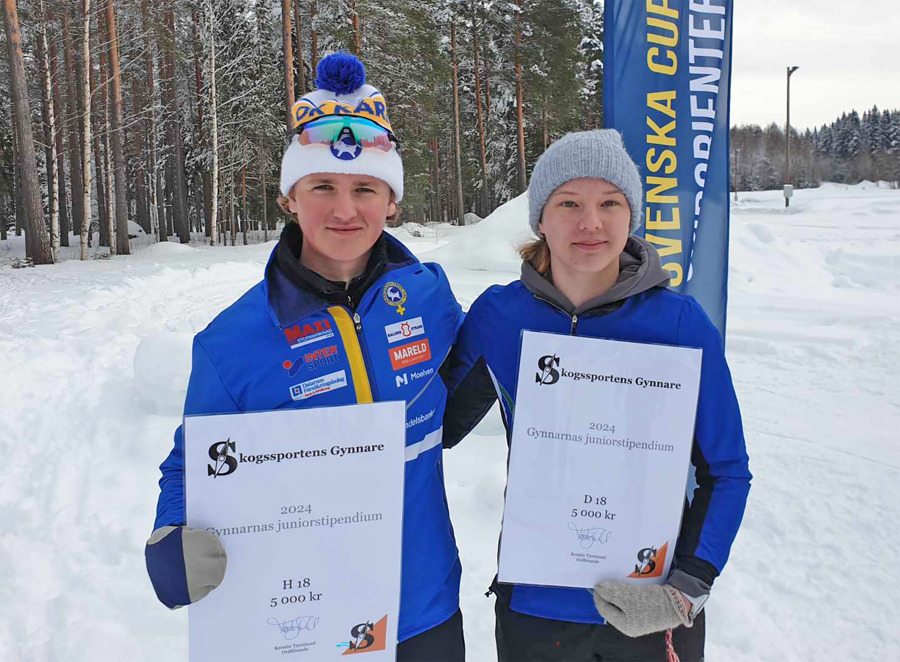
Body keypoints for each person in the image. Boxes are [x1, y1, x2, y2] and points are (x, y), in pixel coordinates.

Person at [145, 53, 466, 661]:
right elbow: (195, 463)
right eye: (322, 187)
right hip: (303, 621)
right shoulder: (232, 342)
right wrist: (171, 535)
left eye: (365, 189)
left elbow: (465, 385)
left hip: (424, 609)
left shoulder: (429, 294)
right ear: (290, 197)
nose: (344, 210)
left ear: (392, 201)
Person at [442, 129, 751, 661]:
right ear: (540, 218)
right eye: (569, 203)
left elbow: (726, 470)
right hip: (536, 608)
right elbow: (433, 428)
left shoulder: (679, 324)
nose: (591, 222)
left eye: (610, 202)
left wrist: (689, 586)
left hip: (651, 608)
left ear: (631, 216)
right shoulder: (500, 316)